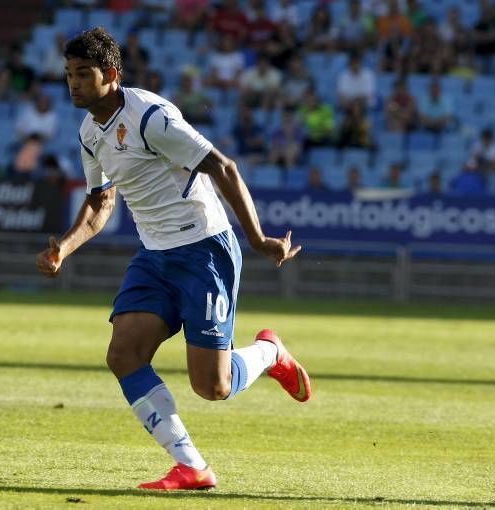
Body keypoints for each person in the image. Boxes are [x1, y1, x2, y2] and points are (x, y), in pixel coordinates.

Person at [36, 28, 309, 491]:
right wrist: (65, 246)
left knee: (213, 387)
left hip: (203, 248)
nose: (74, 84)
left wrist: (259, 239)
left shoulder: (152, 118)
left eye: (84, 74)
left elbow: (224, 167)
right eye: (68, 75)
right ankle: (192, 466)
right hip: (154, 255)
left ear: (112, 76)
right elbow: (101, 203)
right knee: (123, 353)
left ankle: (270, 353)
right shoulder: (89, 133)